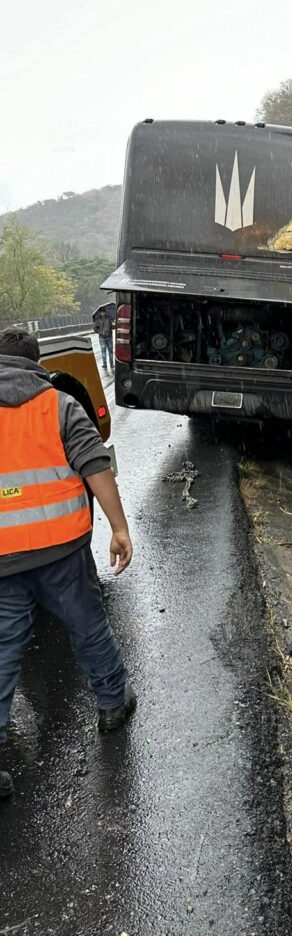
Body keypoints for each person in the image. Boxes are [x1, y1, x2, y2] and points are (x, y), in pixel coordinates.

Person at [0, 327, 135, 801]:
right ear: (36, 362)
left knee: (2, 649)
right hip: (61, 547)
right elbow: (95, 465)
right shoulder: (58, 404)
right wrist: (119, 528)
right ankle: (112, 703)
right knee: (87, 625)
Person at [94, 308, 114, 373]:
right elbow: (95, 328)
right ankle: (105, 364)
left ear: (105, 312)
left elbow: (111, 327)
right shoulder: (97, 320)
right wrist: (100, 332)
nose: (103, 313)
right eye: (102, 312)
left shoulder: (109, 319)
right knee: (103, 351)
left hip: (109, 337)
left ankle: (111, 364)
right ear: (100, 313)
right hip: (102, 338)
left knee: (110, 351)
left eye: (103, 312)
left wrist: (112, 327)